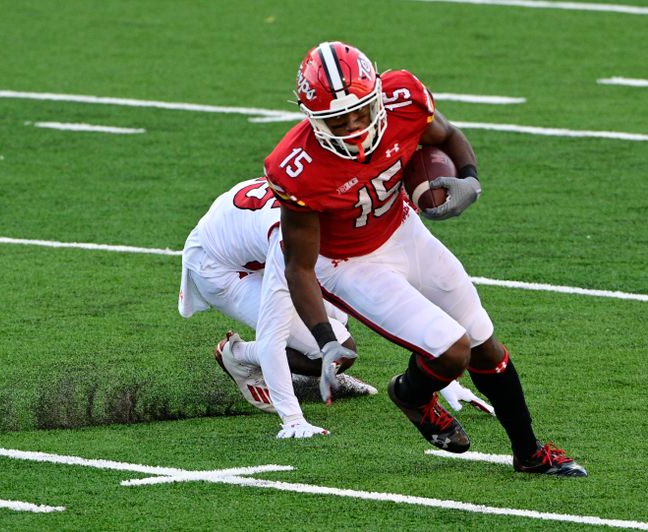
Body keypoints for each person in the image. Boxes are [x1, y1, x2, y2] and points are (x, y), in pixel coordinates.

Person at [263, 41, 586, 475]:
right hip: (347, 263)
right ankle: (411, 394)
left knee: (485, 347)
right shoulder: (295, 167)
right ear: (314, 119)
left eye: (361, 111)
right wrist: (325, 340)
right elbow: (299, 265)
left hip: (402, 229)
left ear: (377, 94)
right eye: (338, 120)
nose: (356, 125)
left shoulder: (404, 98)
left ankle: (528, 453)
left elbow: (448, 136)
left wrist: (469, 179)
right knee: (453, 351)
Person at [179, 177, 493, 438]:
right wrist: (293, 420)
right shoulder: (290, 238)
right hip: (219, 267)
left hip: (246, 240)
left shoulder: (333, 207)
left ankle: (290, 369)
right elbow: (272, 334)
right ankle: (238, 356)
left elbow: (394, 303)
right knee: (336, 348)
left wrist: (445, 379)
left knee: (341, 314)